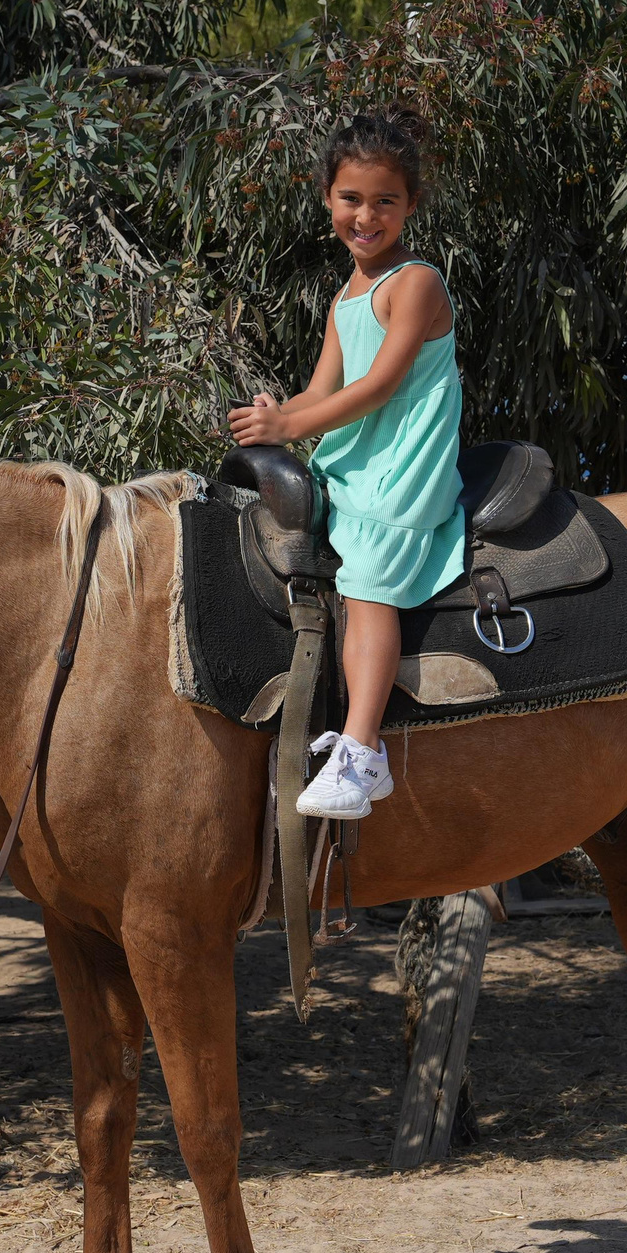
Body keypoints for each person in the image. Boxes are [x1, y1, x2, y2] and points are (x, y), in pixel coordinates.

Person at [229, 104, 463, 820]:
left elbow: (378, 386)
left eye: (384, 201)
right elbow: (321, 389)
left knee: (366, 577)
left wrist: (291, 422)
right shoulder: (344, 298)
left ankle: (363, 751)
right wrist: (271, 420)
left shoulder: (415, 283)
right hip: (355, 460)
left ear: (411, 205)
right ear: (328, 198)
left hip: (400, 470)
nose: (366, 216)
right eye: (351, 199)